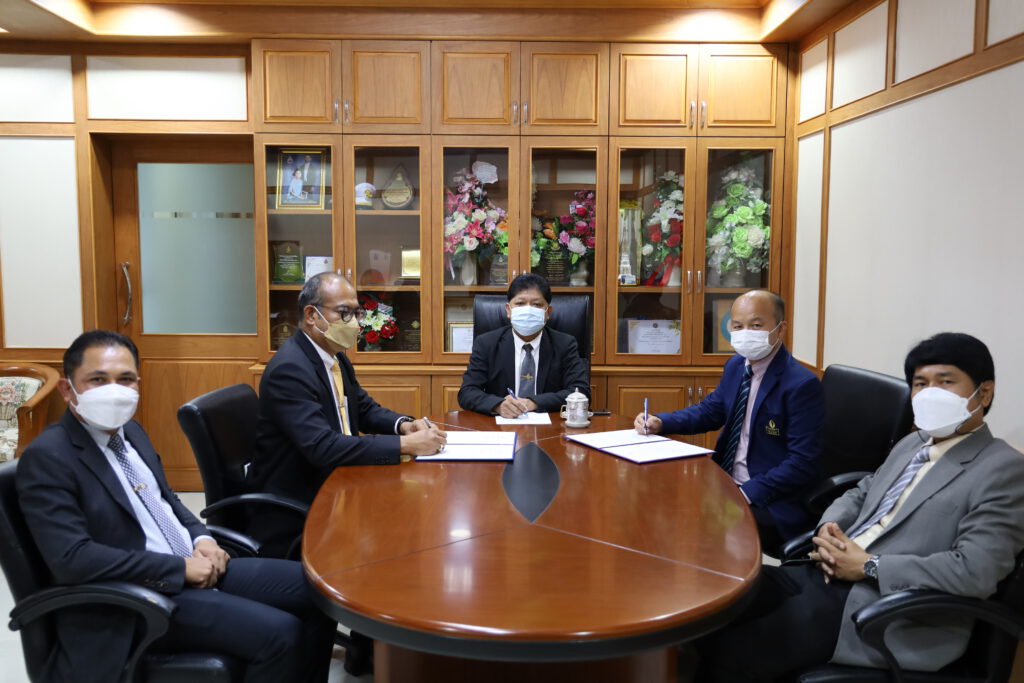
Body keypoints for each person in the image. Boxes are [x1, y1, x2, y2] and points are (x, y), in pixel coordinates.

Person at [697, 332, 1024, 681]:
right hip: (825, 572)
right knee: (714, 608)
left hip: (888, 613)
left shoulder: (1003, 469)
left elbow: (975, 571)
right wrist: (829, 528)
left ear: (983, 393)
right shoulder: (914, 442)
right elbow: (862, 490)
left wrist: (869, 566)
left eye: (945, 382)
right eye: (920, 383)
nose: (930, 393)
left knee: (736, 651)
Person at [16, 330, 335, 683]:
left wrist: (202, 539)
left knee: (323, 592)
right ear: (67, 390)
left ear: (138, 384)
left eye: (125, 379)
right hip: (134, 598)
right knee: (280, 634)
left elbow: (167, 501)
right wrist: (178, 569)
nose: (114, 391)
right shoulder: (49, 457)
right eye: (98, 380)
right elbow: (72, 560)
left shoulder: (130, 431)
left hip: (191, 565)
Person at [249, 271, 445, 555]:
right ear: (312, 315)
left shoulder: (335, 357)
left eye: (356, 313)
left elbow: (362, 408)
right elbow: (322, 447)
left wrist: (403, 425)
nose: (354, 322)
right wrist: (405, 445)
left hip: (337, 481)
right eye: (344, 313)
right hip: (299, 503)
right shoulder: (290, 369)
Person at [634, 289, 824, 550]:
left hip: (768, 498)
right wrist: (661, 422)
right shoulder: (736, 365)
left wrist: (744, 493)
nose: (745, 333)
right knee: (656, 501)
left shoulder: (801, 385)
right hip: (725, 480)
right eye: (737, 326)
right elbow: (711, 411)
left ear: (780, 329)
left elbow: (802, 462)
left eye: (756, 326)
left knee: (687, 525)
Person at [458, 273, 590, 418]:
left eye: (537, 305)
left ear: (548, 312)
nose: (528, 310)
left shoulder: (565, 344)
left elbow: (580, 391)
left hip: (550, 425)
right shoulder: (486, 343)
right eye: (520, 303)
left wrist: (534, 402)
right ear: (508, 310)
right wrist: (498, 405)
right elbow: (467, 392)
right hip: (501, 425)